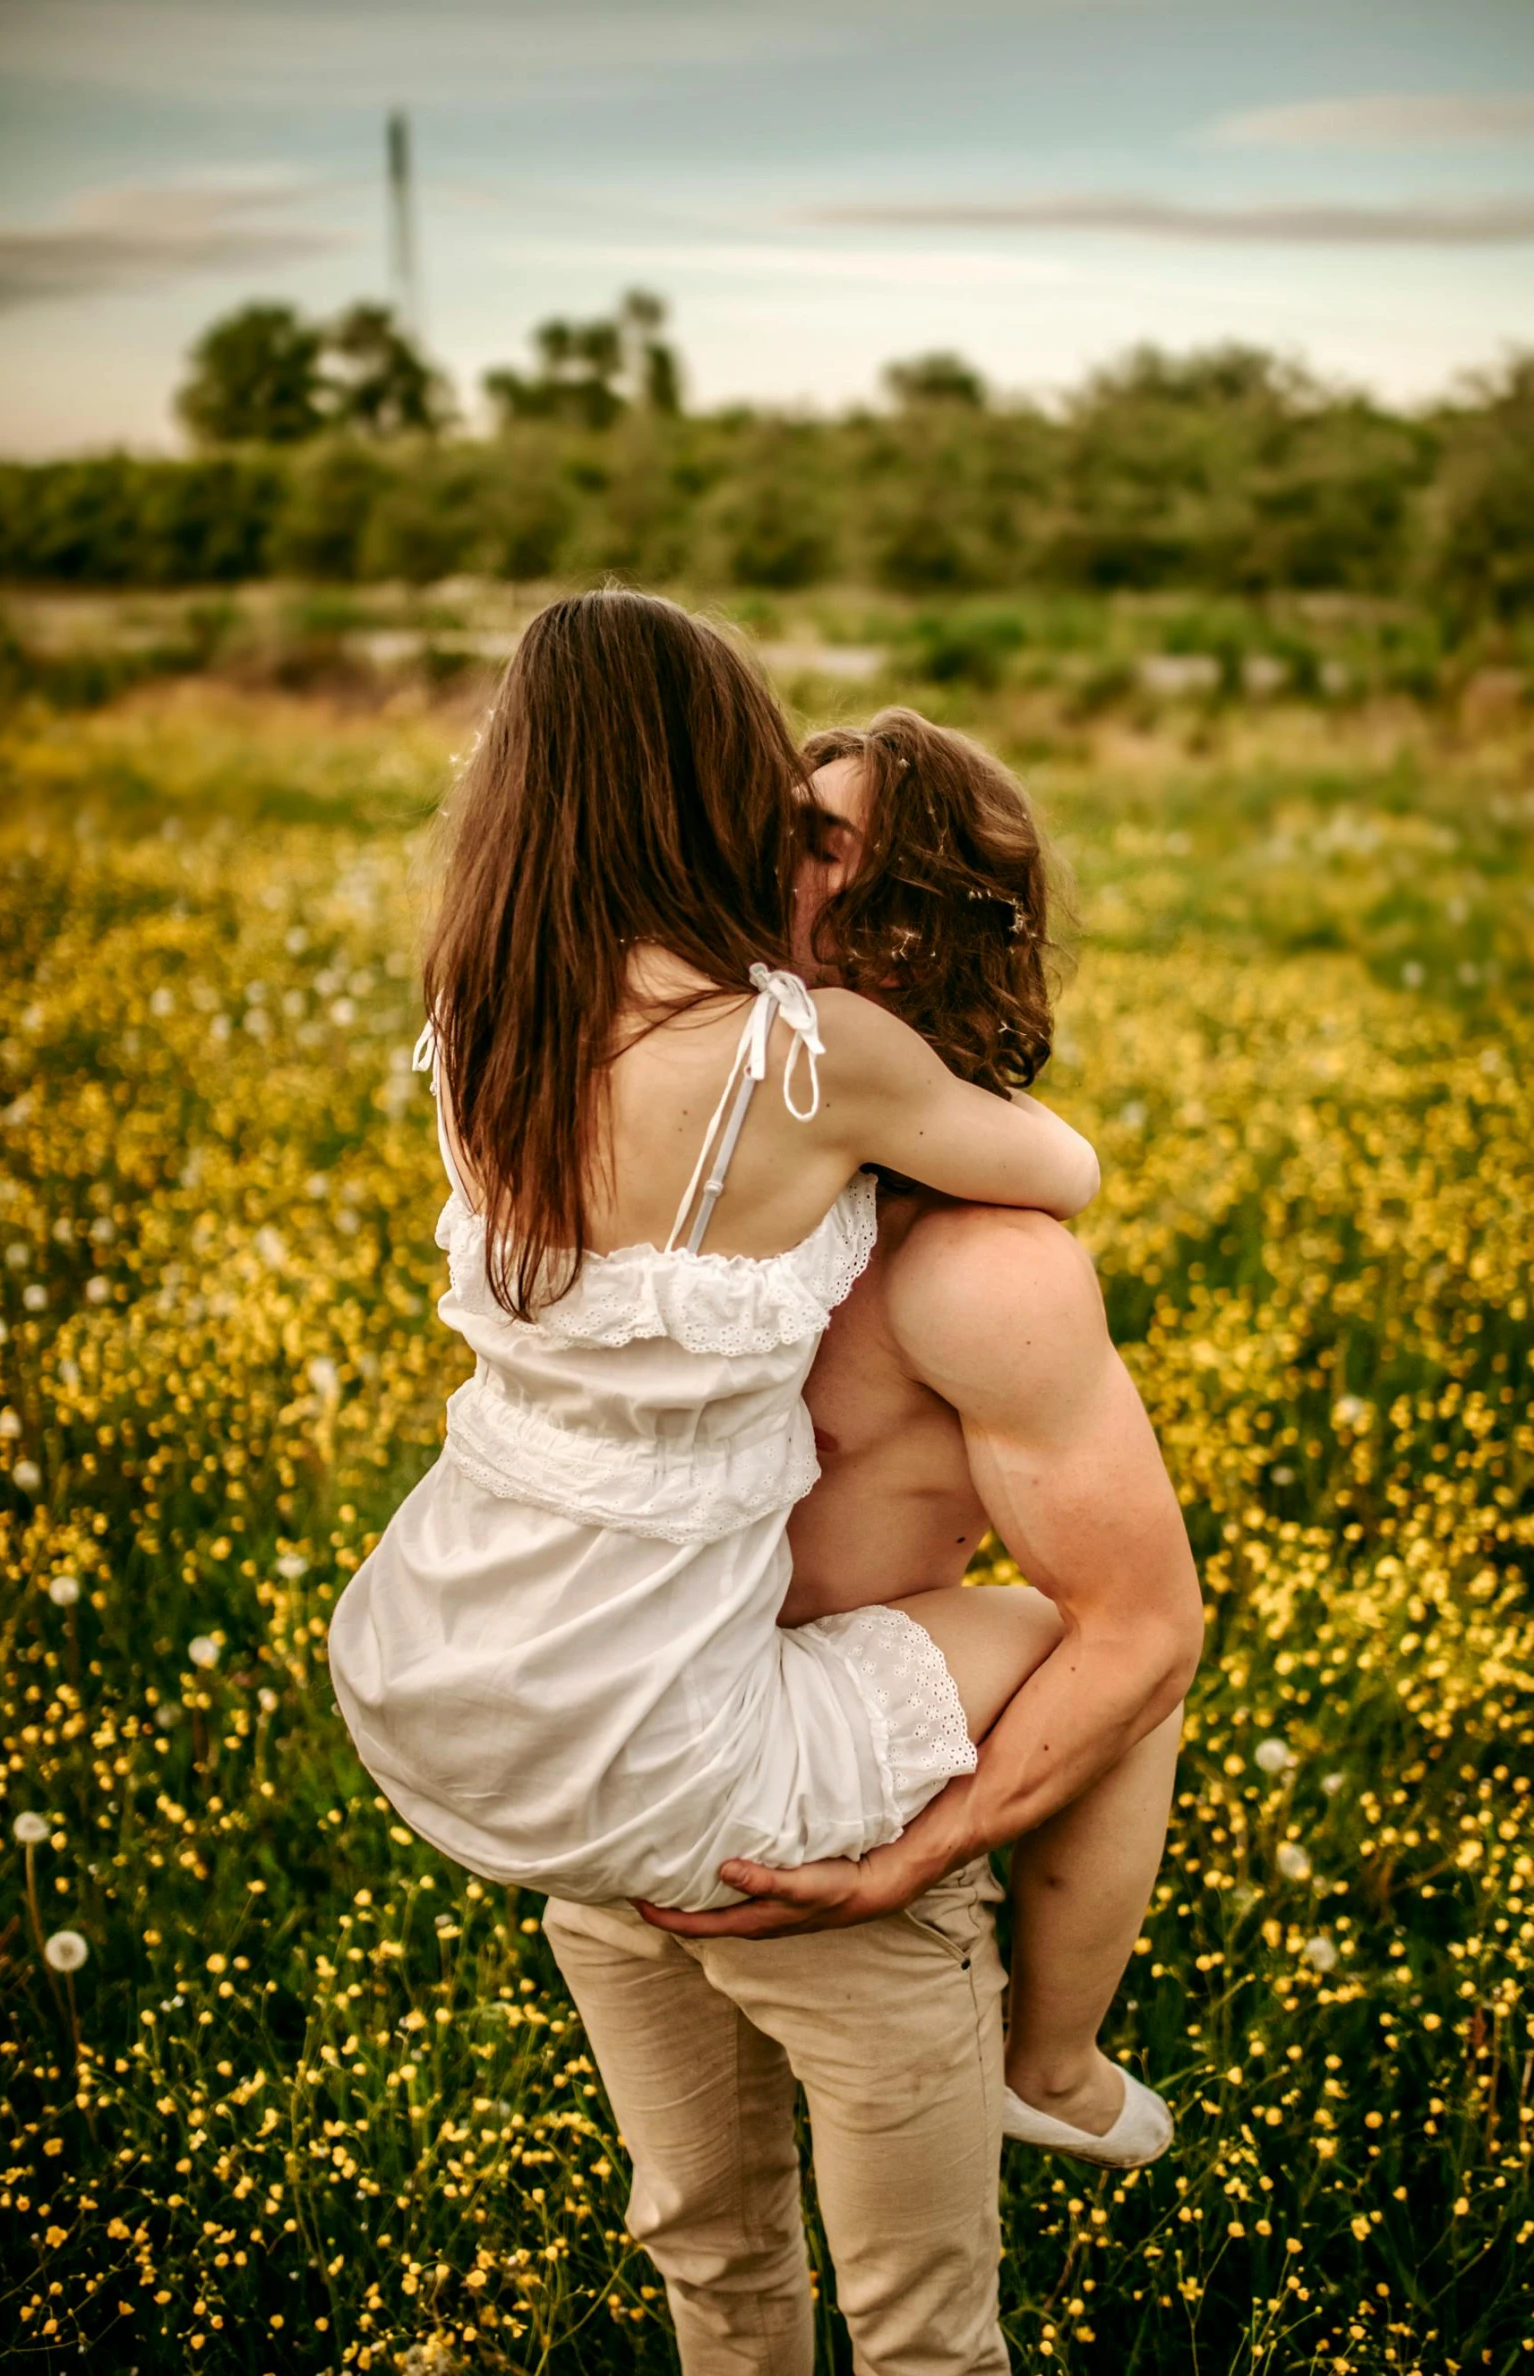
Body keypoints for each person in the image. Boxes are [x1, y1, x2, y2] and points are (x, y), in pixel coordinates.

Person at [544, 712, 1202, 2371]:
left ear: (917, 916)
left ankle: (1046, 2061)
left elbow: (1141, 1625)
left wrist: (914, 1859)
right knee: (708, 2259)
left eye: (823, 842)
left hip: (843, 1852)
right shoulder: (693, 1154)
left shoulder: (978, 1262)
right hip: (627, 1797)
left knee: (919, 2341)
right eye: (780, 823)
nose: (770, 859)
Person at [328, 592, 1098, 1942]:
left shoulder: (476, 1020)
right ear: (707, 787)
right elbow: (1061, 1174)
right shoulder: (798, 1055)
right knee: (1081, 1646)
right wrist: (921, 1057)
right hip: (651, 1756)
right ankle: (1062, 2060)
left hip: (423, 1665)